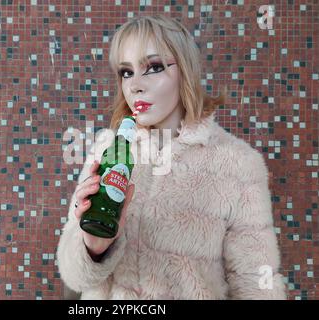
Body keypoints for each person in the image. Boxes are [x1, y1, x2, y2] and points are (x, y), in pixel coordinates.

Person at [57, 15, 286, 300]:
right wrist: (93, 246)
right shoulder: (106, 148)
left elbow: (257, 283)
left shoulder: (238, 163)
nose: (135, 85)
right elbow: (73, 276)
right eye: (126, 72)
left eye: (153, 67)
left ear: (185, 72)